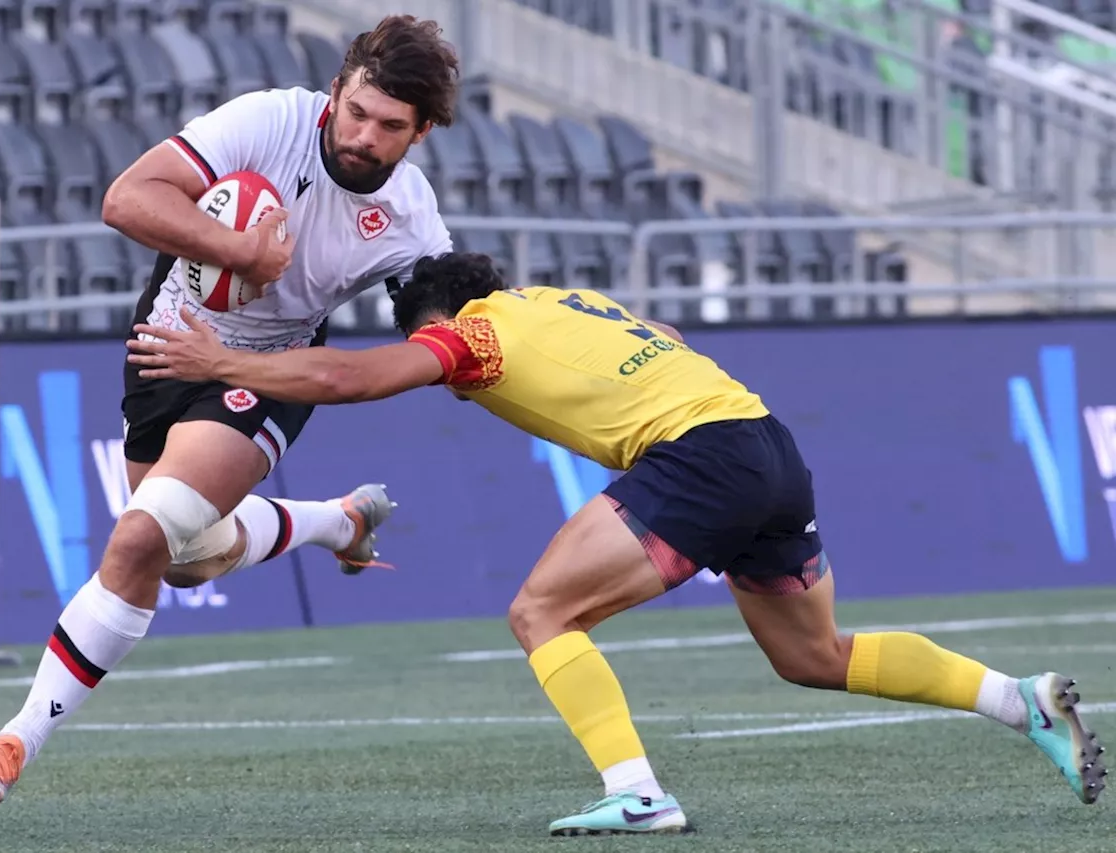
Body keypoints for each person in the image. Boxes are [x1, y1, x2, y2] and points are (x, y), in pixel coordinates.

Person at [125, 252, 1107, 836]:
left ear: (437, 316)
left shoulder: (472, 332)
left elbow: (358, 379)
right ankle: (1012, 699)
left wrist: (222, 360)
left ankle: (634, 794)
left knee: (538, 611)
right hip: (767, 442)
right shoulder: (556, 300)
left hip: (699, 456)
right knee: (813, 655)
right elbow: (662, 332)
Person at [0, 15, 460, 807]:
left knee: (140, 535)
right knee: (185, 562)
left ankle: (16, 738)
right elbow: (126, 199)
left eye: (390, 126)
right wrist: (241, 254)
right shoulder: (269, 120)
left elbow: (446, 333)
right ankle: (338, 522)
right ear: (336, 91)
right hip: (167, 340)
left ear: (421, 131)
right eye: (356, 112)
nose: (364, 135)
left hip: (268, 369)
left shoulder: (411, 223)